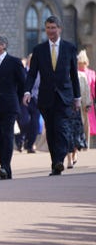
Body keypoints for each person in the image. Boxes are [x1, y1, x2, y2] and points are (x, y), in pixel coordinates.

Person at [23, 15, 81, 176]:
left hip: (65, 97)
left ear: (59, 29)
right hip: (46, 97)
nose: (51, 31)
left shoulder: (69, 48)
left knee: (61, 128)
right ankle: (55, 162)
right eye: (48, 28)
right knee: (52, 130)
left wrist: (77, 98)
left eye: (53, 28)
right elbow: (32, 74)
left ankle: (59, 161)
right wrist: (27, 91)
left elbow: (74, 75)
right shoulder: (39, 50)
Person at [0, 35, 25, 180]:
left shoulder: (14, 62)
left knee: (7, 135)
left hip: (9, 105)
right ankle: (5, 170)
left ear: (3, 46)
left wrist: (17, 99)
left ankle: (4, 167)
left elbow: (22, 83)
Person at [66, 69, 92, 168]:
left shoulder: (81, 76)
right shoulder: (60, 73)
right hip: (64, 108)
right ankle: (69, 159)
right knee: (66, 133)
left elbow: (86, 90)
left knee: (76, 133)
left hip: (77, 109)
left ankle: (74, 153)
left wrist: (87, 104)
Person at [77, 49, 96, 146]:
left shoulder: (91, 73)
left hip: (88, 101)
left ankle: (86, 143)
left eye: (83, 63)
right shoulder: (75, 72)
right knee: (79, 122)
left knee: (87, 123)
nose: (81, 65)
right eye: (80, 63)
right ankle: (80, 142)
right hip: (78, 101)